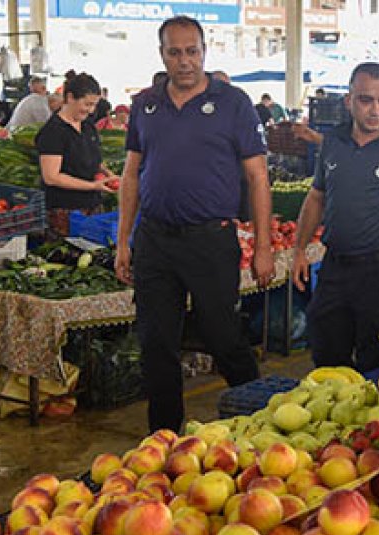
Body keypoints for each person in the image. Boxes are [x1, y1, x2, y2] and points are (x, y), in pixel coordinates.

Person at [114, 16, 274, 431]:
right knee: (156, 344)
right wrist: (123, 242)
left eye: (192, 51)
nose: (184, 61)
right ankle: (164, 438)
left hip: (211, 240)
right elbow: (131, 175)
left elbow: (258, 176)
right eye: (174, 52)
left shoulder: (233, 103)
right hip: (155, 240)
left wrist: (262, 247)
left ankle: (259, 423)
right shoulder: (145, 104)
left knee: (223, 338)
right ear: (162, 54)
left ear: (204, 51)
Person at [291, 63, 379, 372]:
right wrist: (300, 250)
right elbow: (316, 197)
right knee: (326, 352)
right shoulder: (332, 142)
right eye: (366, 100)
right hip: (334, 265)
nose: (376, 110)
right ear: (349, 101)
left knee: (375, 359)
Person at [36, 72, 116, 239]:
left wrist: (110, 176)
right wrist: (93, 186)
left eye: (94, 105)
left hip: (92, 205)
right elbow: (51, 177)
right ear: (70, 97)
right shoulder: (53, 132)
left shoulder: (87, 125)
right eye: (87, 104)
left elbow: (94, 159)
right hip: (65, 211)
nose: (91, 110)